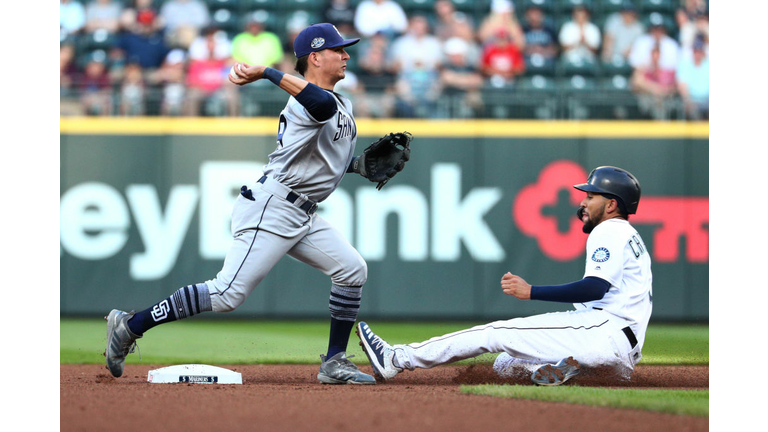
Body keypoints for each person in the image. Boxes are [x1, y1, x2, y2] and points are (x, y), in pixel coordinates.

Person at [106, 23, 381, 386]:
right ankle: (129, 325)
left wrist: (356, 165)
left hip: (303, 212)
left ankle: (334, 362)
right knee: (226, 294)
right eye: (338, 50)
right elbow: (319, 103)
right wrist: (266, 70)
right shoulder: (309, 101)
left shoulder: (338, 103)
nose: (346, 55)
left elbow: (323, 154)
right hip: (274, 205)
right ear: (315, 57)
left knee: (352, 269)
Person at [357, 166, 651, 386]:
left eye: (590, 196)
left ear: (612, 204)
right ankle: (564, 370)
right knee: (506, 363)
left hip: (603, 332)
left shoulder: (609, 229)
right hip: (618, 352)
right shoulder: (630, 236)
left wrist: (531, 291)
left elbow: (594, 288)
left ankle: (396, 358)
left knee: (493, 333)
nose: (583, 203)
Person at [676, 37, 709, 120]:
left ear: (703, 52)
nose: (697, 54)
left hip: (708, 100)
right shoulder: (685, 65)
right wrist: (688, 100)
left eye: (699, 51)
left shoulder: (709, 64)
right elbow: (682, 86)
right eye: (695, 51)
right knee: (692, 109)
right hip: (691, 100)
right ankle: (701, 132)